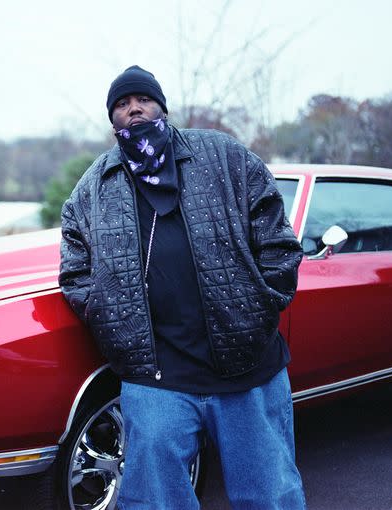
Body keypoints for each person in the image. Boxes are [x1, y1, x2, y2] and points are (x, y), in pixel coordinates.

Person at [58, 65, 306, 509]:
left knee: (271, 496)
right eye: (121, 104)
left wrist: (258, 311)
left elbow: (278, 240)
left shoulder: (223, 155)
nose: (133, 108)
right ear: (112, 119)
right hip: (156, 378)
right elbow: (76, 271)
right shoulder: (93, 187)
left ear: (162, 108)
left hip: (247, 367)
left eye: (143, 100)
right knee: (155, 502)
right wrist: (112, 324)